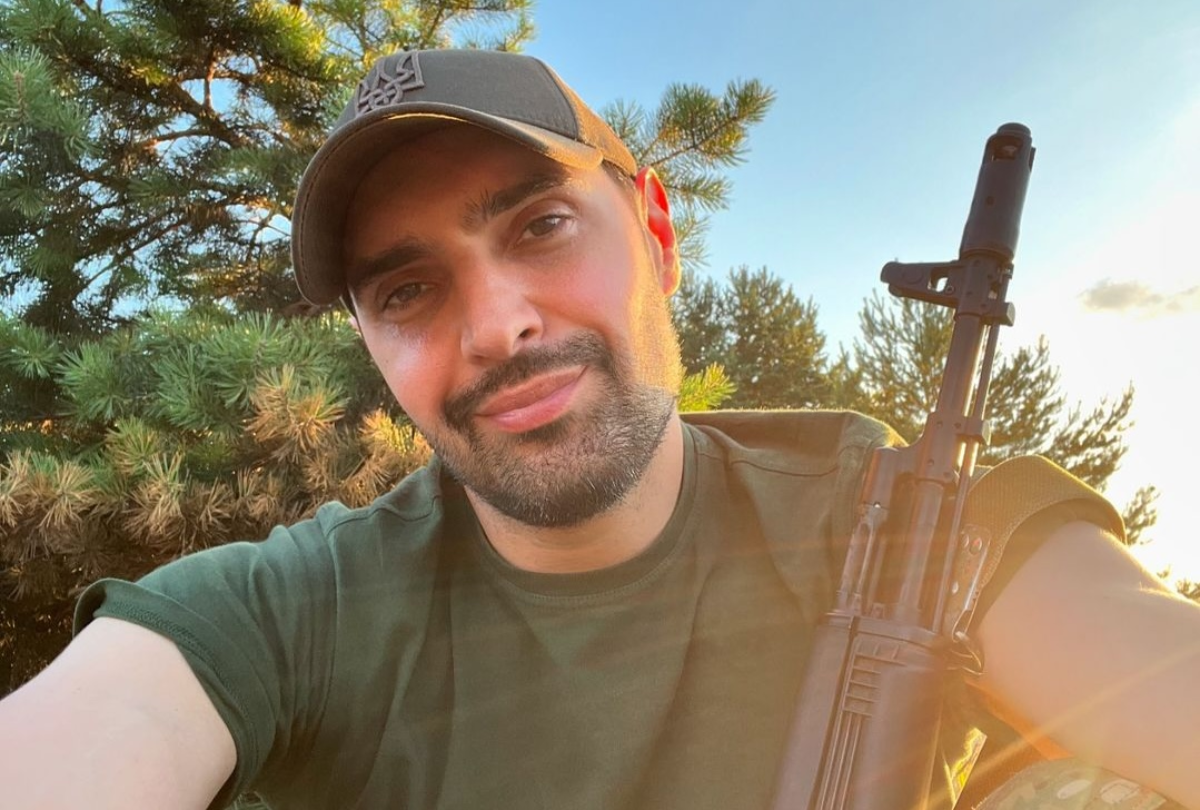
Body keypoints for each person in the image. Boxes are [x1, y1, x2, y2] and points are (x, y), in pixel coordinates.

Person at [1, 48, 1198, 810]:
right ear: (372, 344)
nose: (497, 326)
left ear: (658, 236)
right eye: (409, 290)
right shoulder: (292, 609)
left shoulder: (908, 529)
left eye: (539, 227)